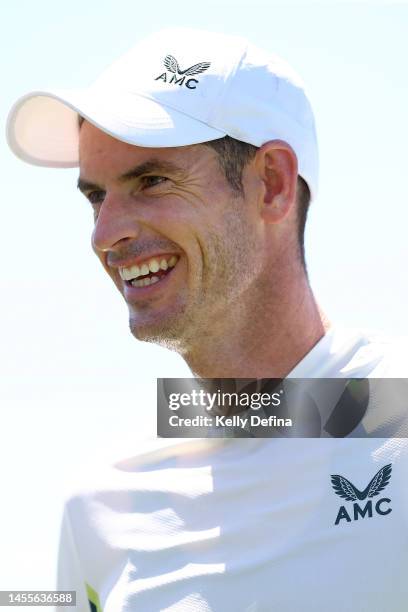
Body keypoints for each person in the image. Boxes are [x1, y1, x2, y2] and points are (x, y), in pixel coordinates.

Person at [6, 27, 408, 612]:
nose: (104, 234)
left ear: (270, 183)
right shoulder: (98, 507)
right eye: (96, 197)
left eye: (152, 180)